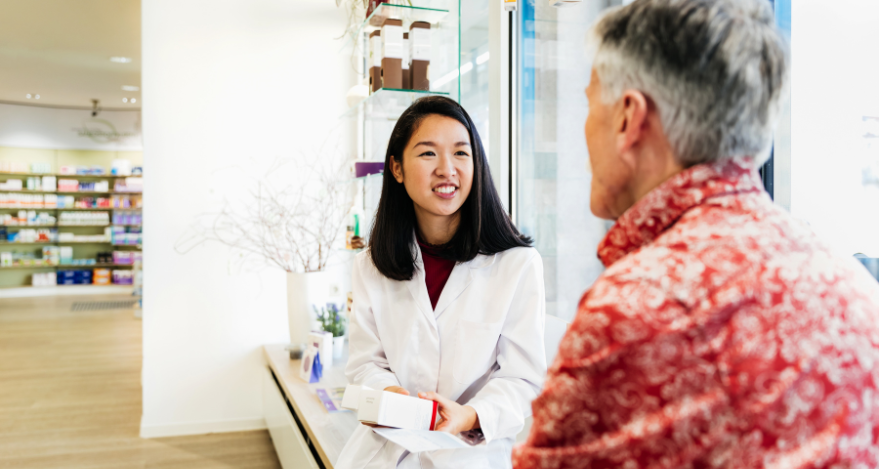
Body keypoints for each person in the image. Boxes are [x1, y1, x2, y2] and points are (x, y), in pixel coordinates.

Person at [513, 0, 879, 468]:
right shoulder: (846, 282)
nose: (584, 130)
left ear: (629, 118)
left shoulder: (637, 308)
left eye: (589, 103)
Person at [337, 96, 547, 469]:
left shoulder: (517, 265)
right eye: (428, 154)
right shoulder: (371, 265)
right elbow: (364, 364)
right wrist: (389, 396)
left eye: (461, 153)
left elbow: (523, 379)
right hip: (386, 451)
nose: (446, 169)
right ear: (397, 169)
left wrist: (470, 416)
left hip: (469, 455)